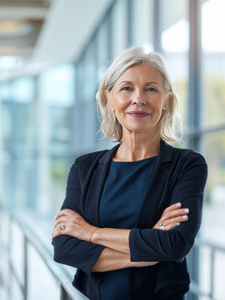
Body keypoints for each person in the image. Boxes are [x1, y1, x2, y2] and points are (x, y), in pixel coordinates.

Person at [51, 46, 208, 300]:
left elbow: (174, 244)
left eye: (151, 89)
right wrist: (144, 256)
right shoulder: (84, 168)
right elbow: (65, 247)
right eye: (126, 88)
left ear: (166, 101)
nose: (139, 99)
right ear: (110, 98)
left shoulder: (187, 165)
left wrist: (91, 233)